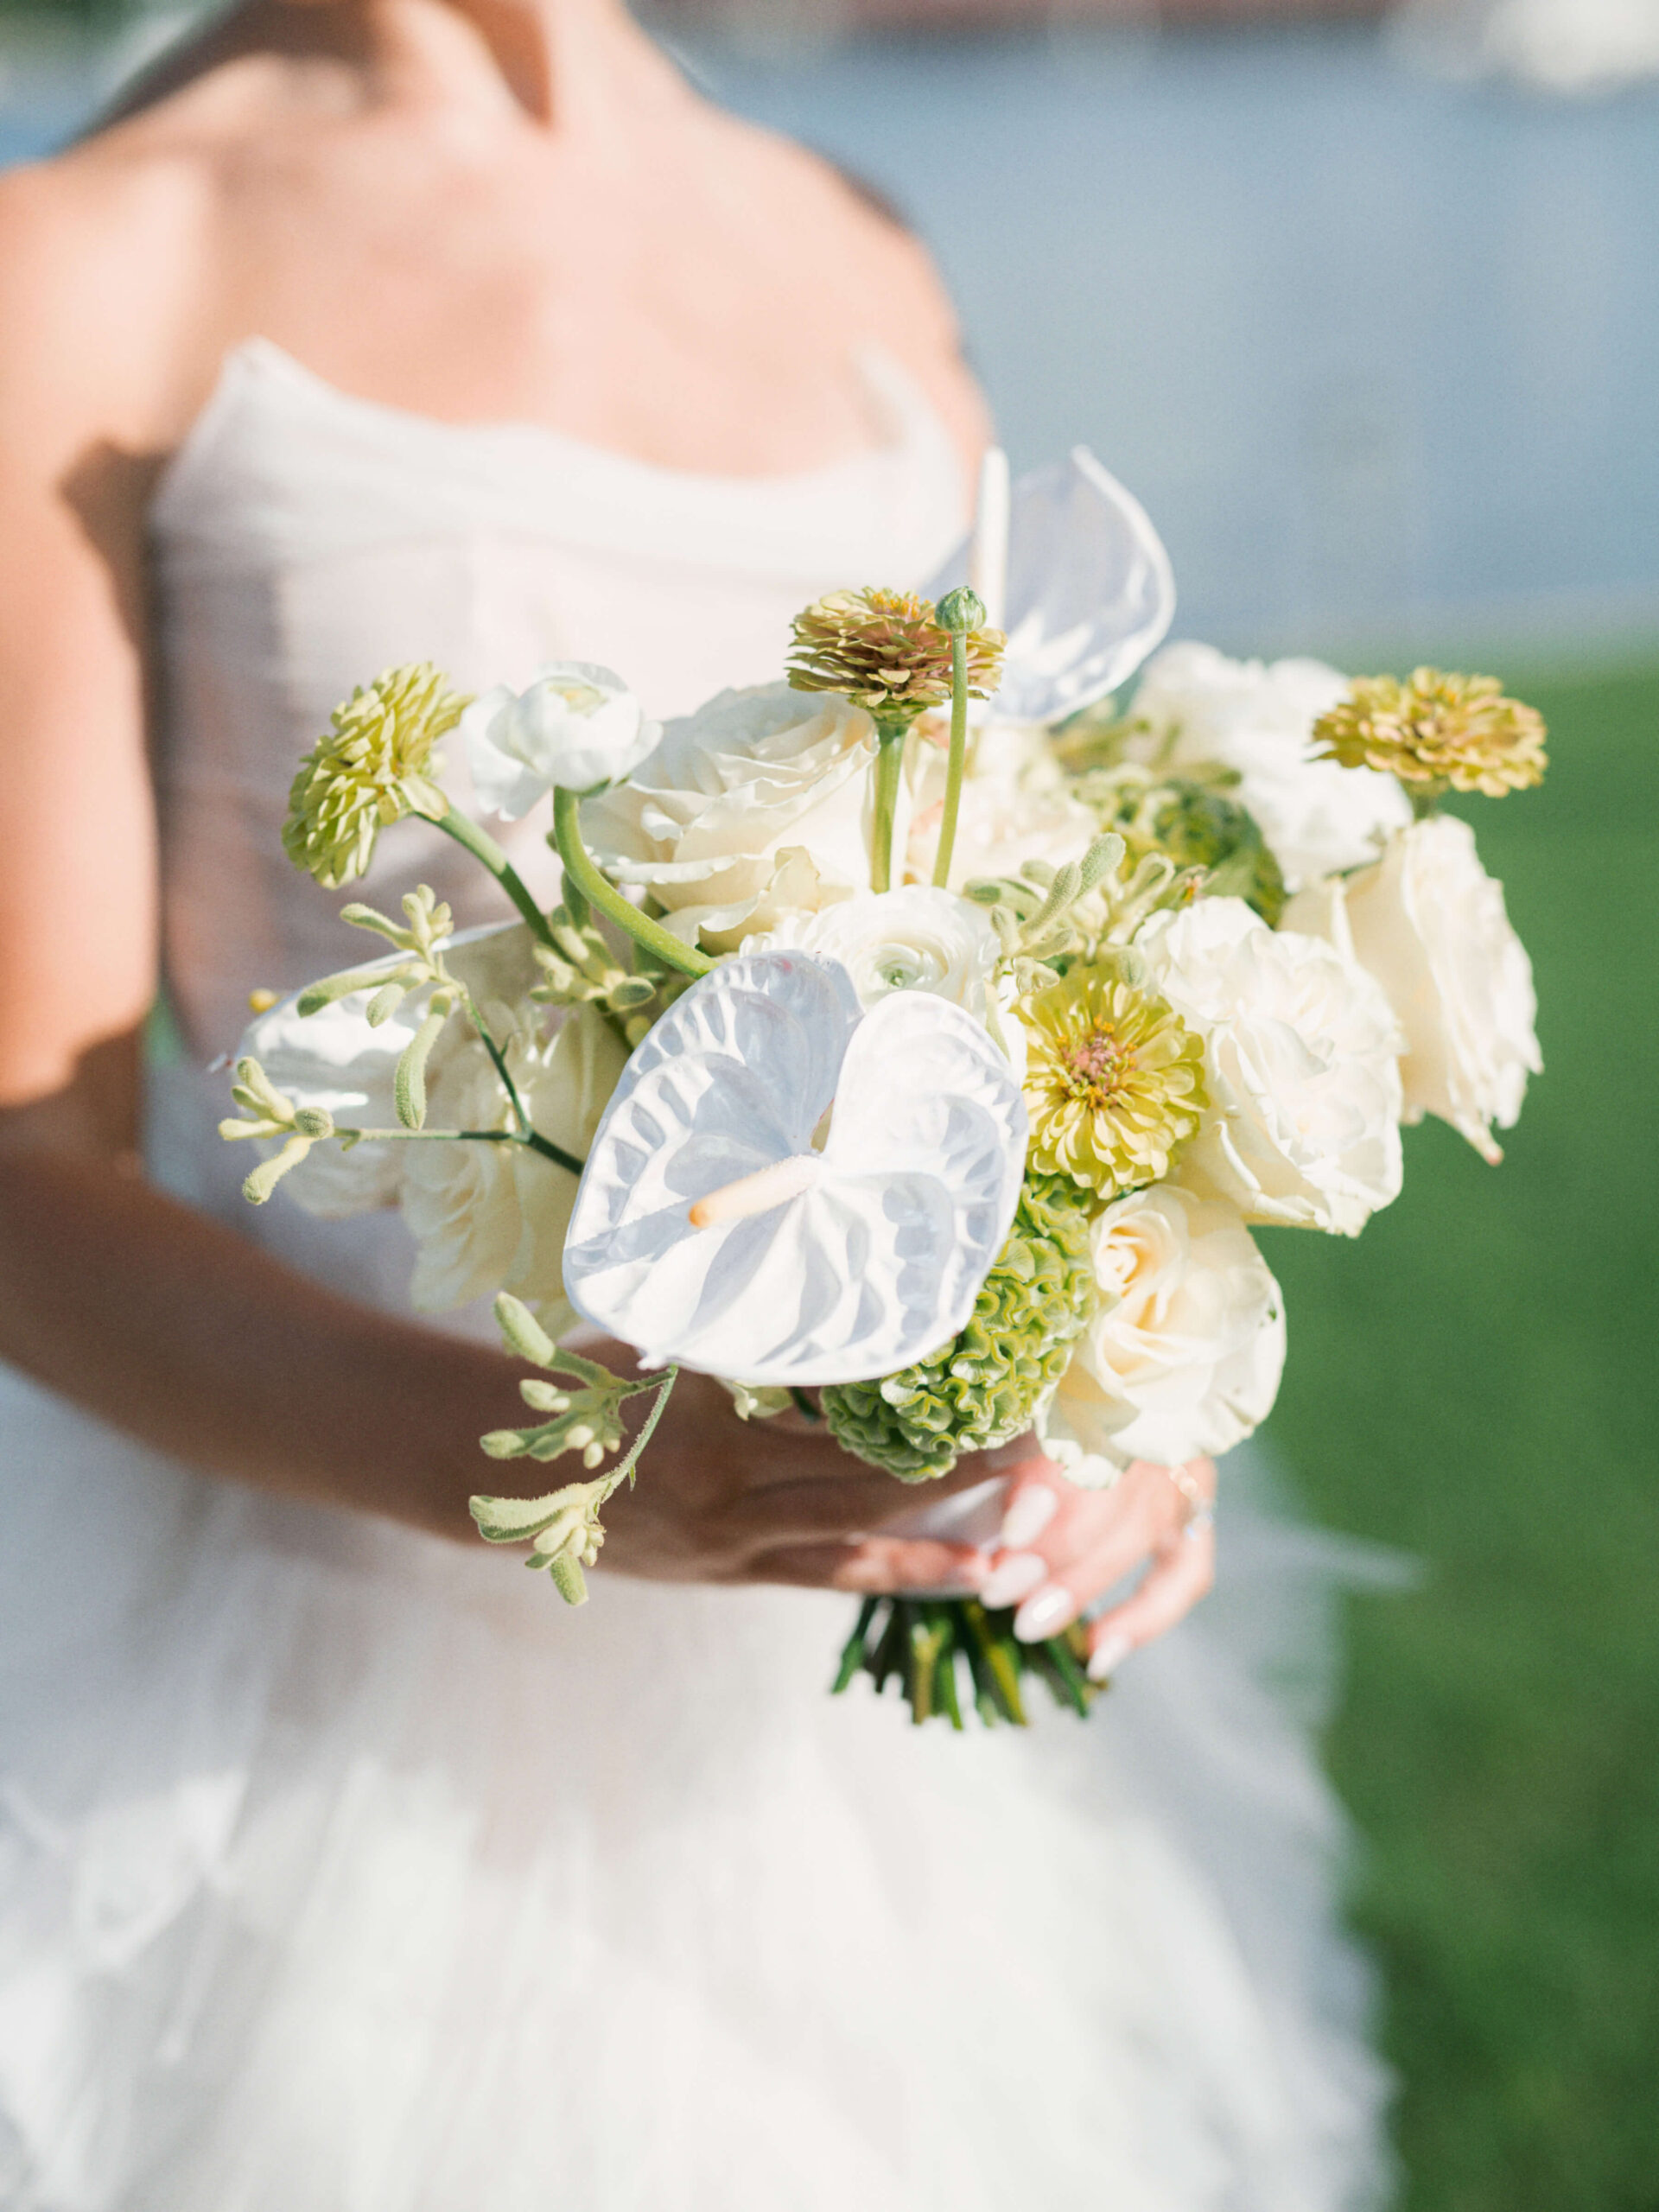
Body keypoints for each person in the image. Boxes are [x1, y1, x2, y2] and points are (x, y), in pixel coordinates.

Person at [0, 2, 1390, 2202]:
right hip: (318, 1669)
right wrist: (585, 1489)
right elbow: (19, 1177)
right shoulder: (88, 254)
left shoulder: (855, 242)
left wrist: (1128, 1377)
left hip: (858, 1705)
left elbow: (990, 909)